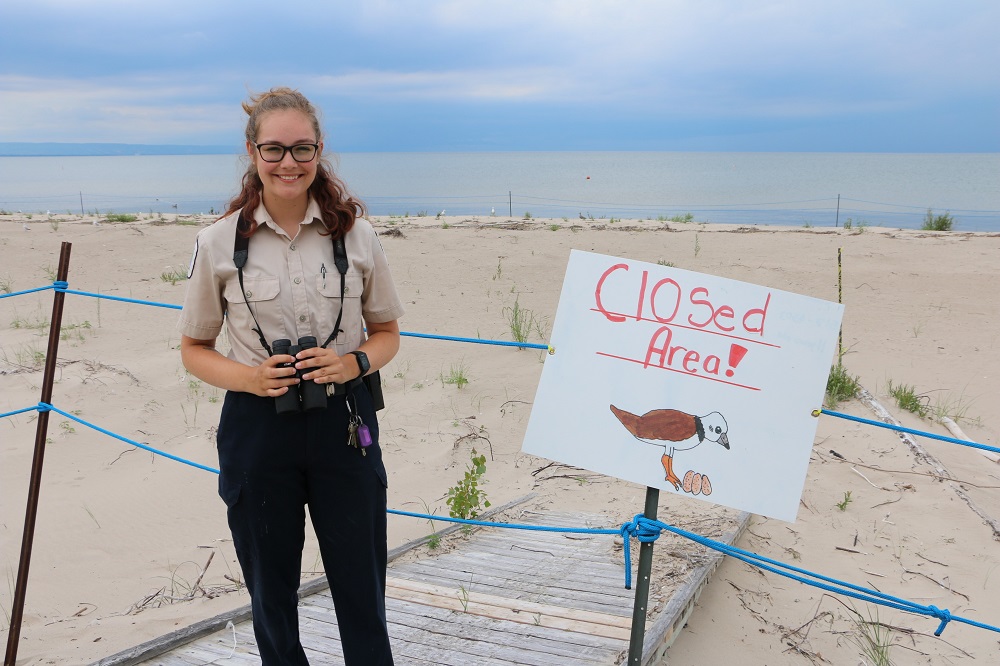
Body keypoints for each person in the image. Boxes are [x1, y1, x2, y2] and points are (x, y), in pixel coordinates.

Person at [177, 87, 403, 665]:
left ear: (319, 152)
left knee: (361, 586)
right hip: (258, 427)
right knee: (270, 592)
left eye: (302, 149)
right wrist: (250, 379)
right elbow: (193, 348)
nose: (288, 163)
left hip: (346, 425)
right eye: (274, 149)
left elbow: (387, 336)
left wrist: (351, 362)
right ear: (253, 153)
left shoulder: (356, 235)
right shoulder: (217, 242)